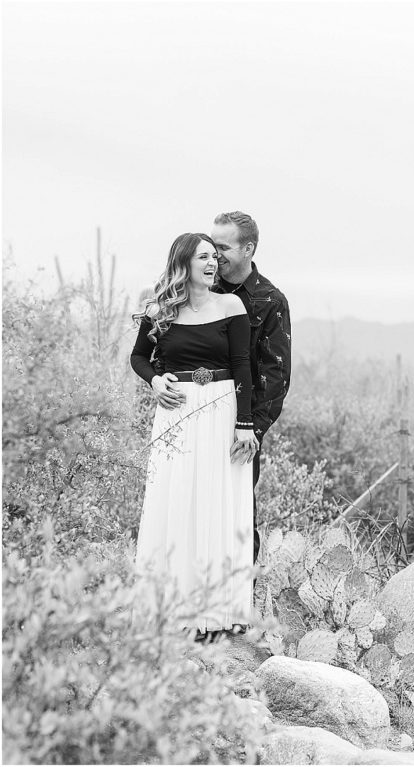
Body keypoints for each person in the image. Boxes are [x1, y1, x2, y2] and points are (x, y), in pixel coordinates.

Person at [131, 233, 259, 639]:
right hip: (176, 414)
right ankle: (172, 608)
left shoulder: (231, 305)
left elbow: (243, 365)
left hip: (222, 410)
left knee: (219, 501)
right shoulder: (160, 311)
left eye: (213, 257)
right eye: (202, 257)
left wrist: (245, 422)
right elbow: (138, 357)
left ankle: (220, 611)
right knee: (175, 501)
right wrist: (153, 381)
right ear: (183, 264)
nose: (211, 263)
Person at [151, 211, 291, 563]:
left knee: (235, 513)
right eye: (211, 248)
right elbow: (165, 348)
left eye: (223, 247)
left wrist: (249, 429)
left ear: (249, 249)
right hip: (185, 416)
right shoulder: (194, 289)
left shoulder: (270, 301)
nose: (215, 255)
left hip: (238, 426)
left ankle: (237, 604)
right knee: (182, 505)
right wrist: (158, 378)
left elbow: (275, 377)